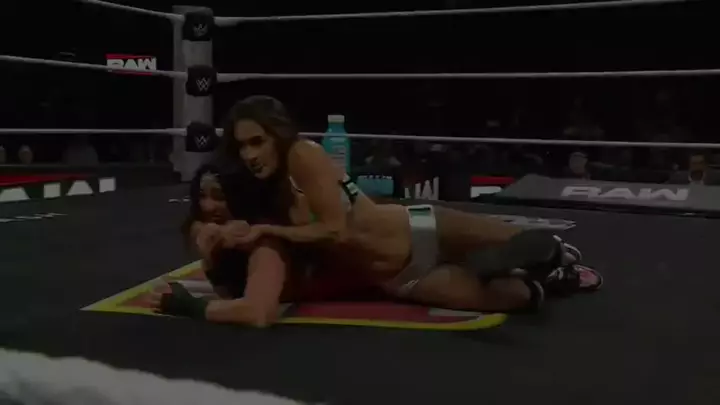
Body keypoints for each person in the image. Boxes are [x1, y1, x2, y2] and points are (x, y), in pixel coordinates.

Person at [159, 96, 602, 327]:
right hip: (399, 278)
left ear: (278, 134)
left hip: (417, 229)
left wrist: (264, 232)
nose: (251, 154)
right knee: (514, 298)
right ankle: (539, 279)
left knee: (525, 244)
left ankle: (555, 260)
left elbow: (335, 230)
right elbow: (219, 220)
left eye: (258, 141)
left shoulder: (302, 155)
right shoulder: (261, 197)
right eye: (242, 146)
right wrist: (210, 235)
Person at [151, 164, 376, 326]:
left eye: (219, 196)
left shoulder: (265, 242)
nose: (207, 206)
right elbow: (229, 293)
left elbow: (257, 313)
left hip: (387, 271)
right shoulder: (220, 235)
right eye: (202, 196)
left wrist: (186, 306)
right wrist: (211, 256)